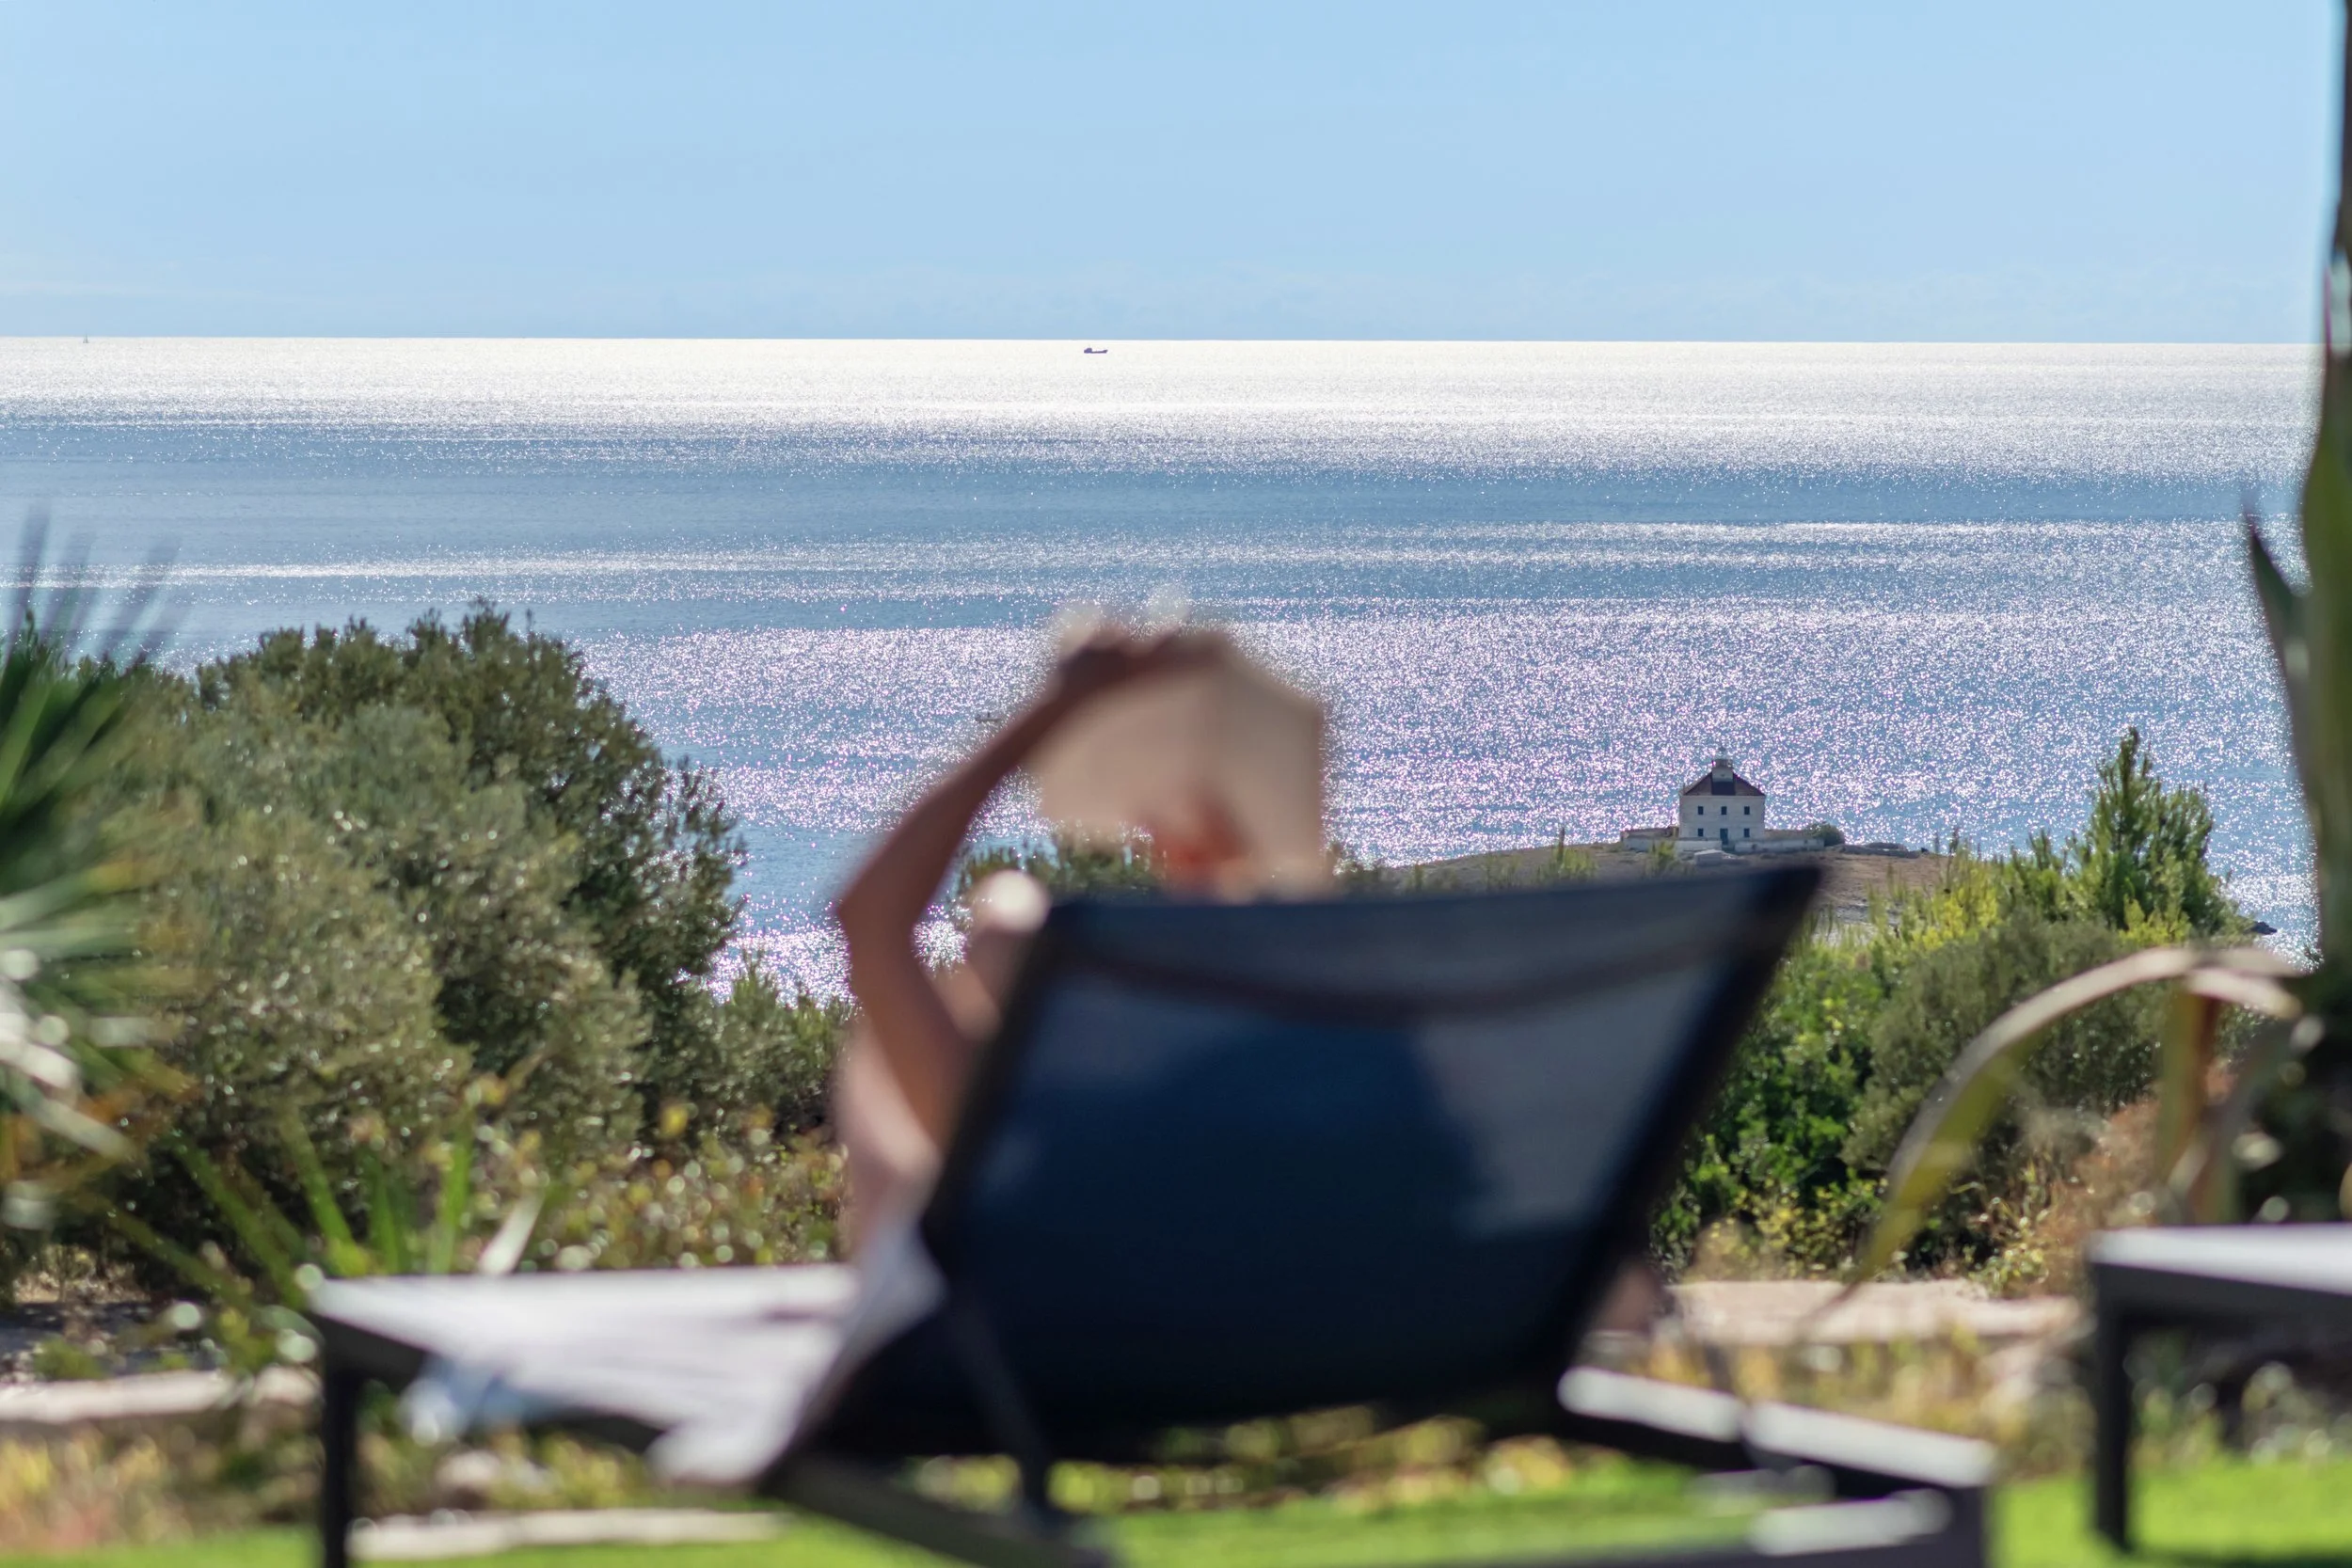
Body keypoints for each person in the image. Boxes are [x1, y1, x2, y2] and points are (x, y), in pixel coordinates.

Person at [831, 626, 1236, 1247]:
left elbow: (871, 921)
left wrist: (1055, 706)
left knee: (880, 1059)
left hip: (995, 1317)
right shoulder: (1271, 1090)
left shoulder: (1020, 1142)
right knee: (1005, 915)